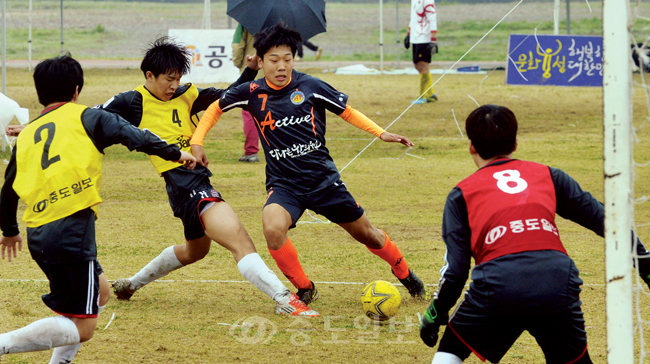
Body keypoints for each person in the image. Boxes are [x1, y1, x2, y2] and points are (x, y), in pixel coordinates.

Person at [190, 23, 430, 305]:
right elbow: (216, 107)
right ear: (260, 60)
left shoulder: (310, 86)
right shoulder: (251, 91)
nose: (281, 66)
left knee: (370, 236)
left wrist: (381, 133)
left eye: (287, 59)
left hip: (324, 183)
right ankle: (305, 287)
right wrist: (197, 142)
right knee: (272, 228)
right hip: (285, 186)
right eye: (274, 60)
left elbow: (347, 111)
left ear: (295, 58)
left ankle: (405, 273)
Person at [100, 37, 318, 317]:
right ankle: (285, 299)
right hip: (184, 184)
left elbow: (229, 96)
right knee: (241, 242)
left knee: (196, 251)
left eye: (177, 79)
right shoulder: (131, 101)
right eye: (168, 79)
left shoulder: (187, 94)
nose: (173, 86)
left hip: (194, 183)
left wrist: (250, 70)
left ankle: (131, 284)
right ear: (149, 75)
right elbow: (89, 118)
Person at [0, 54, 196, 362]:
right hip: (71, 231)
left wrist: (10, 231)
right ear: (76, 90)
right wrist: (177, 153)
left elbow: (8, 188)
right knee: (83, 327)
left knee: (102, 293)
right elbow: (139, 137)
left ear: (40, 92)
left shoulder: (29, 134)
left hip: (39, 231)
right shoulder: (88, 117)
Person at [418, 104, 650, 364]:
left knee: (450, 352)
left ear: (471, 146)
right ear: (515, 143)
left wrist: (436, 313)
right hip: (556, 280)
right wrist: (644, 262)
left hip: (498, 284)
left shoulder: (461, 195)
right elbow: (606, 221)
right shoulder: (549, 175)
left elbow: (456, 270)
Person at [232, 24, 262, 163]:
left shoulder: (247, 20)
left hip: (253, 73)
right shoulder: (285, 17)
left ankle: (251, 152)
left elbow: (238, 45)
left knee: (249, 112)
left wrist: (240, 63)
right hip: (279, 74)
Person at [404, 0, 438, 104]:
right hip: (415, 38)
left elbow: (432, 18)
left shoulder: (427, 1)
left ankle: (423, 96)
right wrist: (409, 34)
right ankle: (431, 94)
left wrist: (433, 40)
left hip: (424, 38)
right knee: (417, 65)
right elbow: (414, 18)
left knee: (423, 65)